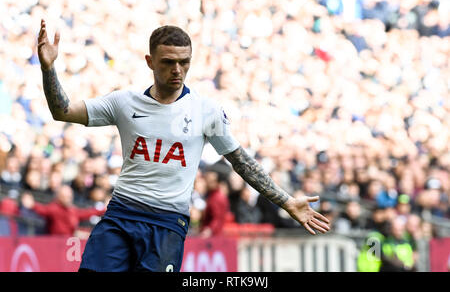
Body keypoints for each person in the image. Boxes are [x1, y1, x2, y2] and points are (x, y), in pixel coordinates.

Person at [37, 19, 330, 272]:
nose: (177, 69)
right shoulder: (124, 103)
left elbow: (240, 160)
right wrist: (48, 68)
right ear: (150, 61)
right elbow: (62, 111)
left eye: (184, 62)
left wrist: (286, 200)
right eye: (168, 62)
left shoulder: (206, 111)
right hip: (122, 214)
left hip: (167, 223)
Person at [23, 185, 105, 236]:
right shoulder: (54, 208)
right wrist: (33, 205)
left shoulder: (72, 209)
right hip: (56, 244)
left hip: (68, 245)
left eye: (69, 196)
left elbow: (86, 213)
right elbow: (44, 210)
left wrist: (103, 210)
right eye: (65, 196)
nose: (68, 199)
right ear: (59, 197)